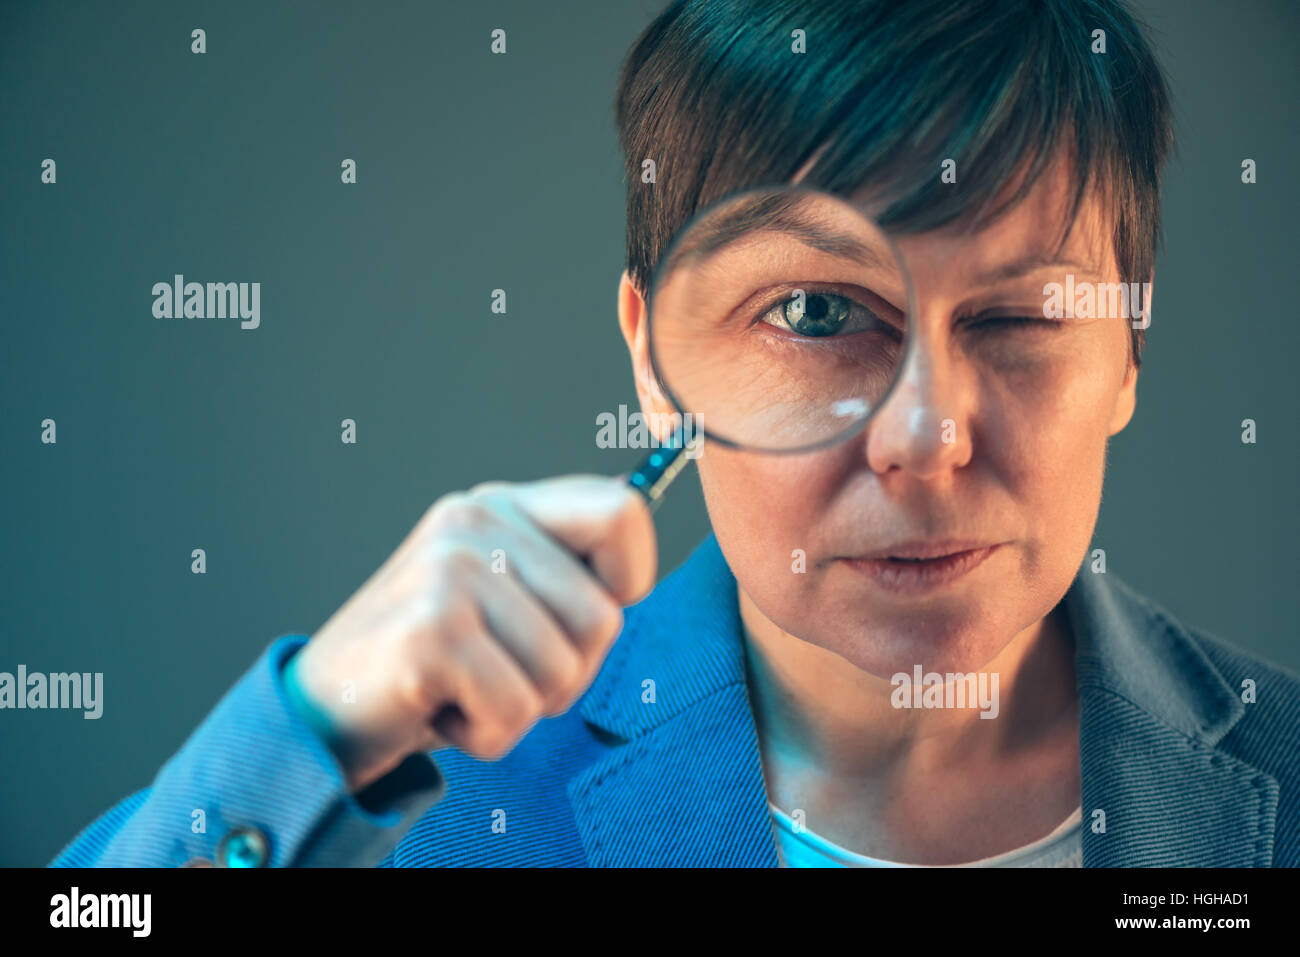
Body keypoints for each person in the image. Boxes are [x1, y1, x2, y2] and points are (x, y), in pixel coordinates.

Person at [52, 0, 1298, 868]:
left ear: (1128, 350)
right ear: (655, 362)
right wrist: (310, 732)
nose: (926, 437)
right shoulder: (414, 809)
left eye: (1020, 315)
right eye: (816, 312)